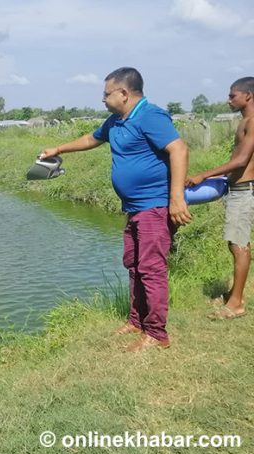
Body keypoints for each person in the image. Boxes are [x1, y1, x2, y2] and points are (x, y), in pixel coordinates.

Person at [40, 67, 192, 352]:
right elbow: (90, 139)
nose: (103, 99)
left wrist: (176, 198)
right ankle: (136, 321)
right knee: (134, 265)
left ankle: (157, 333)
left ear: (124, 93)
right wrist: (57, 149)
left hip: (154, 206)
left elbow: (179, 149)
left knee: (151, 269)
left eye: (106, 93)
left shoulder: (151, 116)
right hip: (134, 208)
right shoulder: (116, 120)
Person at [186, 77, 254, 320]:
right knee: (235, 243)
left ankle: (236, 304)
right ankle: (235, 295)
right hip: (237, 187)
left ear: (248, 95)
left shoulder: (252, 120)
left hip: (245, 191)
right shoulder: (244, 121)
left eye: (232, 95)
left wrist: (203, 174)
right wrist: (217, 179)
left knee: (239, 245)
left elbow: (241, 160)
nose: (228, 100)